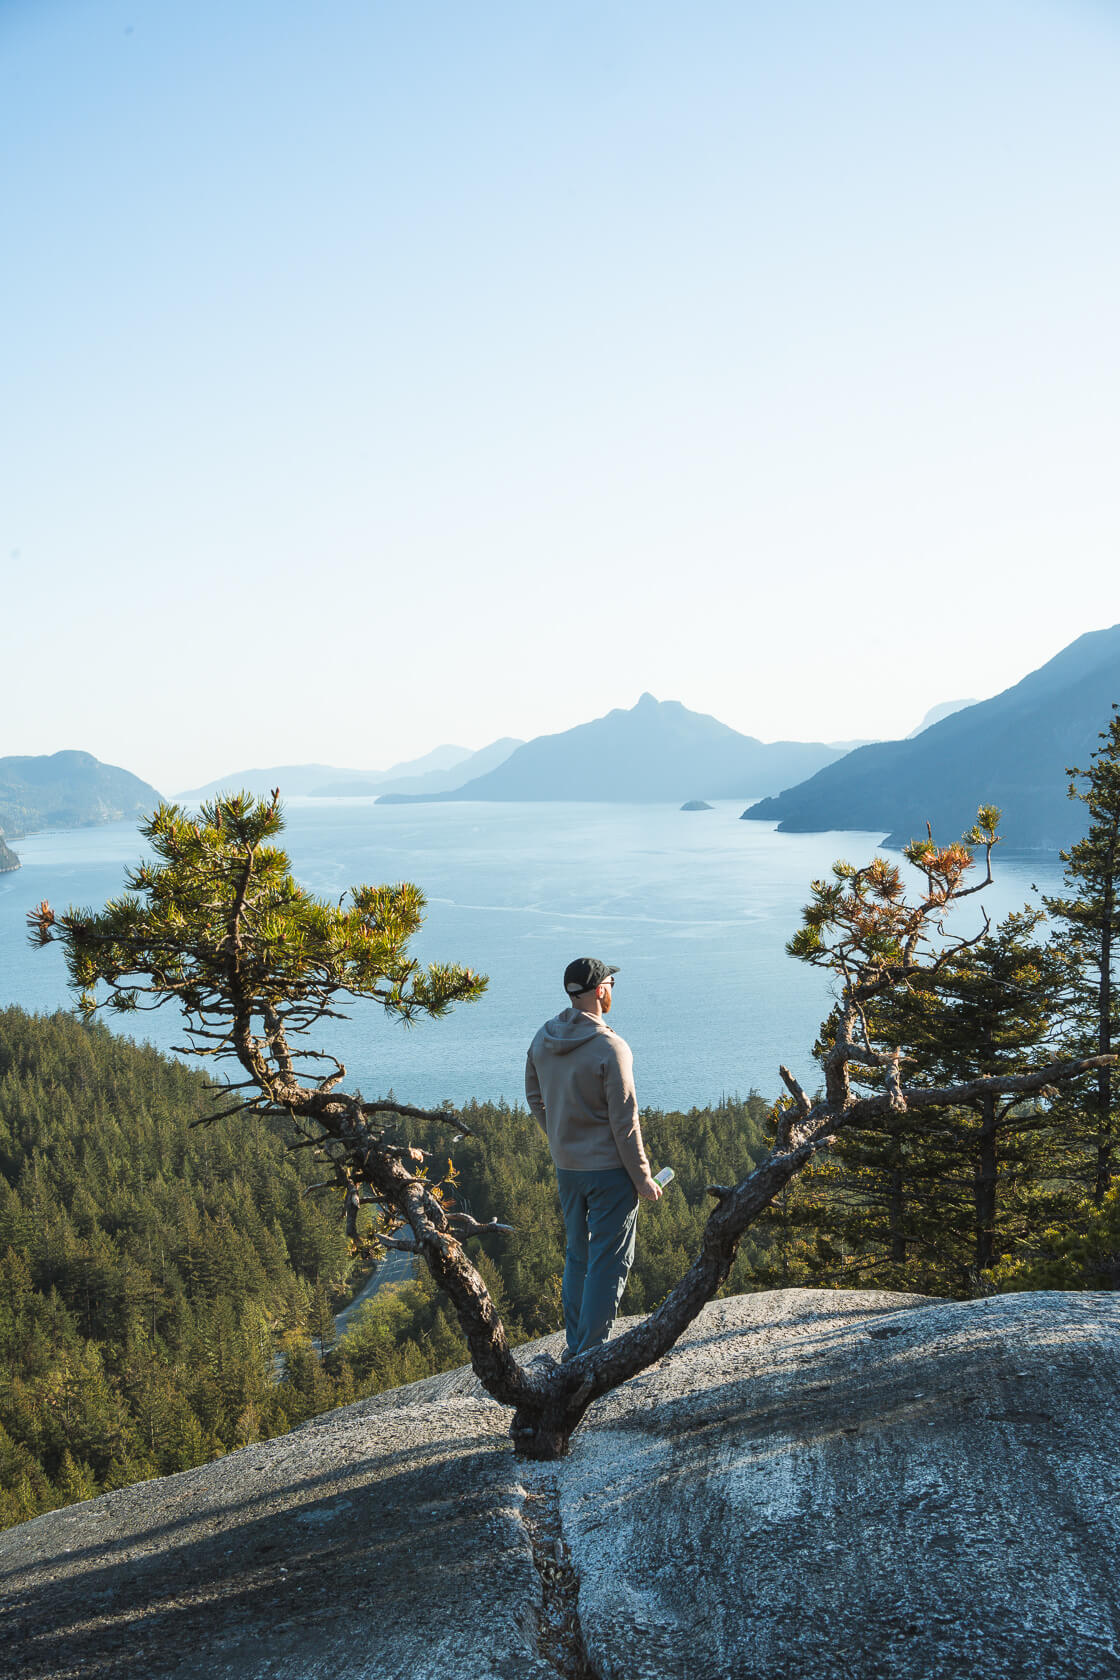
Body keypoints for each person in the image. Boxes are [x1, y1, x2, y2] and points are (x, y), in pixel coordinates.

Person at [525, 956, 662, 1362]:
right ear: (601, 991)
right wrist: (643, 1178)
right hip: (609, 1172)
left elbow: (535, 1097)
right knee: (609, 1259)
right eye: (611, 984)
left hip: (567, 1168)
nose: (613, 990)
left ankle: (575, 1345)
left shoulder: (542, 1037)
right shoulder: (611, 1047)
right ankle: (589, 1355)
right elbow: (626, 1123)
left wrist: (561, 1138)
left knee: (577, 1254)